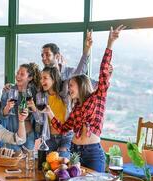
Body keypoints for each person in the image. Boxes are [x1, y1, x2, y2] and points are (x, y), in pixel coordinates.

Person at [45, 25, 126, 172]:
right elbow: (63, 128)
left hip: (93, 153)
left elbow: (103, 72)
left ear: (81, 85)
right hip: (75, 152)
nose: (68, 88)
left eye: (71, 85)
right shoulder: (76, 108)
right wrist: (50, 112)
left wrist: (110, 44)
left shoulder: (97, 97)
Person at [29, 66, 72, 158]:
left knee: (62, 161)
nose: (41, 81)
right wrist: (33, 108)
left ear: (54, 79)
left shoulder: (65, 94)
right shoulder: (40, 96)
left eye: (45, 78)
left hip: (66, 136)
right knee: (47, 166)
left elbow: (77, 74)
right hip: (49, 137)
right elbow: (40, 120)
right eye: (41, 78)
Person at [0, 63, 40, 151]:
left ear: (30, 78)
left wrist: (33, 107)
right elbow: (2, 114)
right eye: (17, 73)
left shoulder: (35, 92)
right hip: (13, 135)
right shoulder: (8, 91)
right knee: (13, 162)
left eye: (22, 74)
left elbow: (39, 117)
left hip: (29, 135)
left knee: (27, 162)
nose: (18, 76)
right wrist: (7, 107)